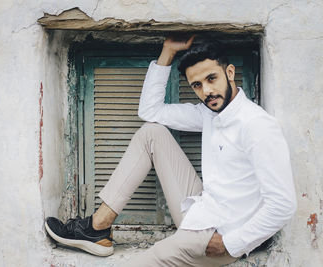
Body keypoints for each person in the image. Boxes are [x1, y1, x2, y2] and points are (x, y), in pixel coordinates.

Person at [45, 35, 297, 266]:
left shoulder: (257, 125)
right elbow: (150, 112)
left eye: (212, 79)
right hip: (201, 210)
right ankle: (97, 227)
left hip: (220, 236)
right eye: (197, 85)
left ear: (230, 72)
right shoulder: (209, 113)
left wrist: (232, 243)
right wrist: (167, 51)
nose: (206, 91)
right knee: (151, 133)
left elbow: (283, 205)